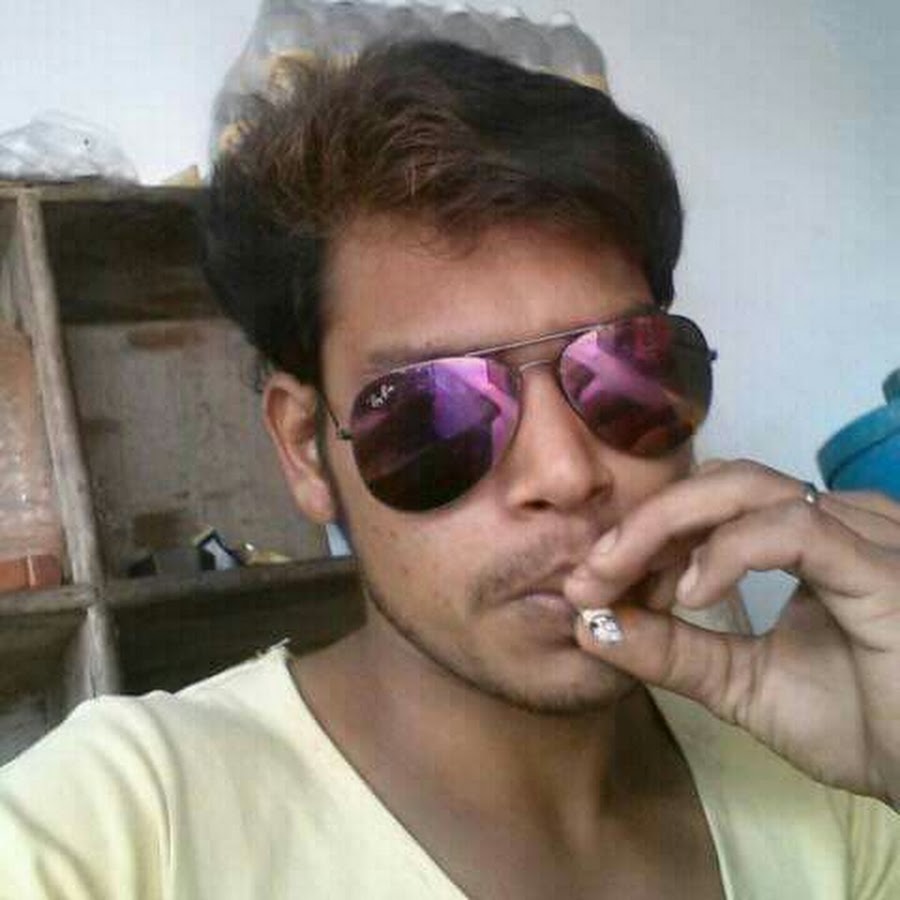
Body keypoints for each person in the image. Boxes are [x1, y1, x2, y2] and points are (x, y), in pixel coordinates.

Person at [1, 39, 898, 899]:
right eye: (433, 408)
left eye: (626, 366)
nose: (567, 472)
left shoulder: (833, 781)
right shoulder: (118, 832)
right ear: (305, 448)